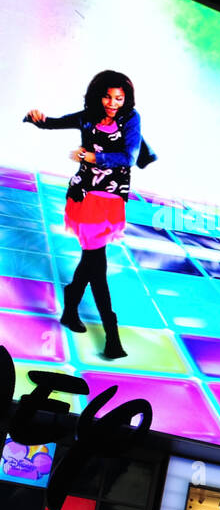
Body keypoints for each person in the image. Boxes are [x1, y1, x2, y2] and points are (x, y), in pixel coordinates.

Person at [25, 71, 157, 359]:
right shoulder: (87, 116)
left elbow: (129, 157)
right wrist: (37, 117)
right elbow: (52, 124)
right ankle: (112, 335)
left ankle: (70, 310)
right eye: (108, 96)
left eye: (119, 98)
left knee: (91, 262)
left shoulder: (130, 119)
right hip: (84, 195)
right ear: (98, 95)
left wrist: (93, 157)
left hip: (110, 199)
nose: (113, 103)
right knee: (97, 266)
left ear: (127, 100)